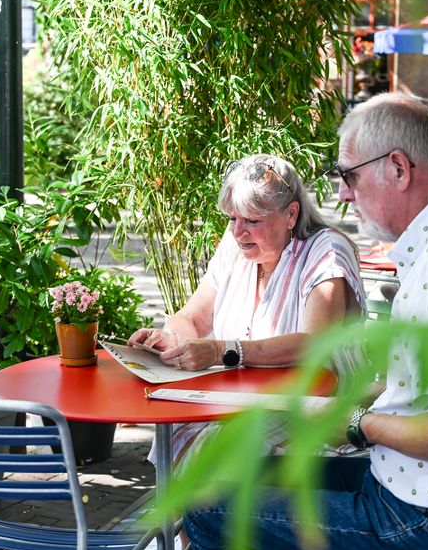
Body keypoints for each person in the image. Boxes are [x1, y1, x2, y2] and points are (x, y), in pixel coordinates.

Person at [184, 94, 428, 550]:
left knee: (205, 503)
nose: (343, 194)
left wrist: (357, 425)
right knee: (262, 477)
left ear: (398, 168)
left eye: (350, 175)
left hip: (427, 531)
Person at [128, 154, 365, 465]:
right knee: (181, 427)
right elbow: (192, 318)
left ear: (291, 214)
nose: (238, 232)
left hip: (317, 408)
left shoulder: (325, 249)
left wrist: (221, 351)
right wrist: (173, 341)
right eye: (232, 218)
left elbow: (314, 344)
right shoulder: (236, 246)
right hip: (242, 400)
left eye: (253, 221)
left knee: (218, 445)